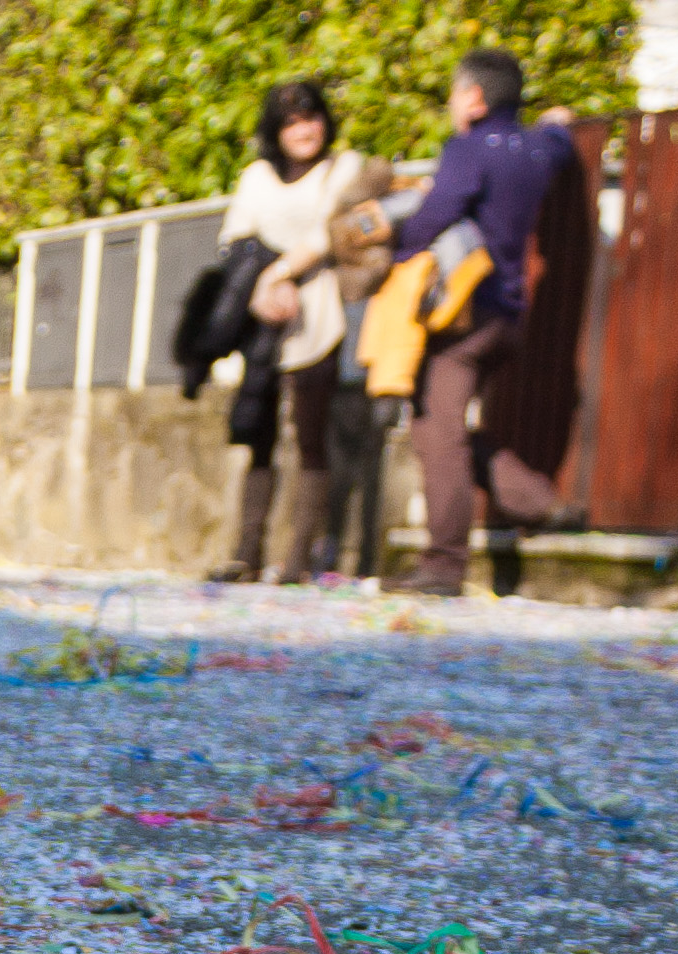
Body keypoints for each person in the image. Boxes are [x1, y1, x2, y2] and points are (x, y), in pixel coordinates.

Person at [385, 48, 569, 595]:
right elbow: (559, 137)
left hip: (464, 315)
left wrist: (392, 251)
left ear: (472, 97)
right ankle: (540, 503)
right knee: (450, 429)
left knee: (434, 432)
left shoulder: (468, 149)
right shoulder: (540, 147)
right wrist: (557, 126)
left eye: (452, 93)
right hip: (510, 314)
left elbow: (434, 218)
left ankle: (443, 566)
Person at [211, 80, 387, 583]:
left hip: (320, 315)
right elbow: (236, 237)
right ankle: (246, 552)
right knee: (258, 435)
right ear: (276, 129)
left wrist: (282, 272)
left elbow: (331, 232)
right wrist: (264, 287)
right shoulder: (257, 176)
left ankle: (298, 559)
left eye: (311, 117)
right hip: (264, 319)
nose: (303, 129)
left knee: (311, 435)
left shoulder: (344, 168)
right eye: (290, 121)